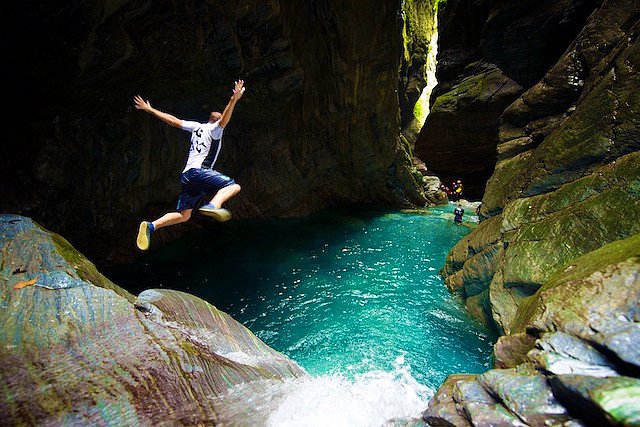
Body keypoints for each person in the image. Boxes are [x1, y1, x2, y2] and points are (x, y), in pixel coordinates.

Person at [133, 80, 246, 250]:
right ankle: (213, 205)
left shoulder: (196, 127)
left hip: (187, 176)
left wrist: (150, 109)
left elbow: (173, 121)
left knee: (184, 216)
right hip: (199, 172)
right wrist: (234, 99)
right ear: (217, 121)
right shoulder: (216, 130)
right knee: (233, 186)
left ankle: (151, 226)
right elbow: (225, 118)